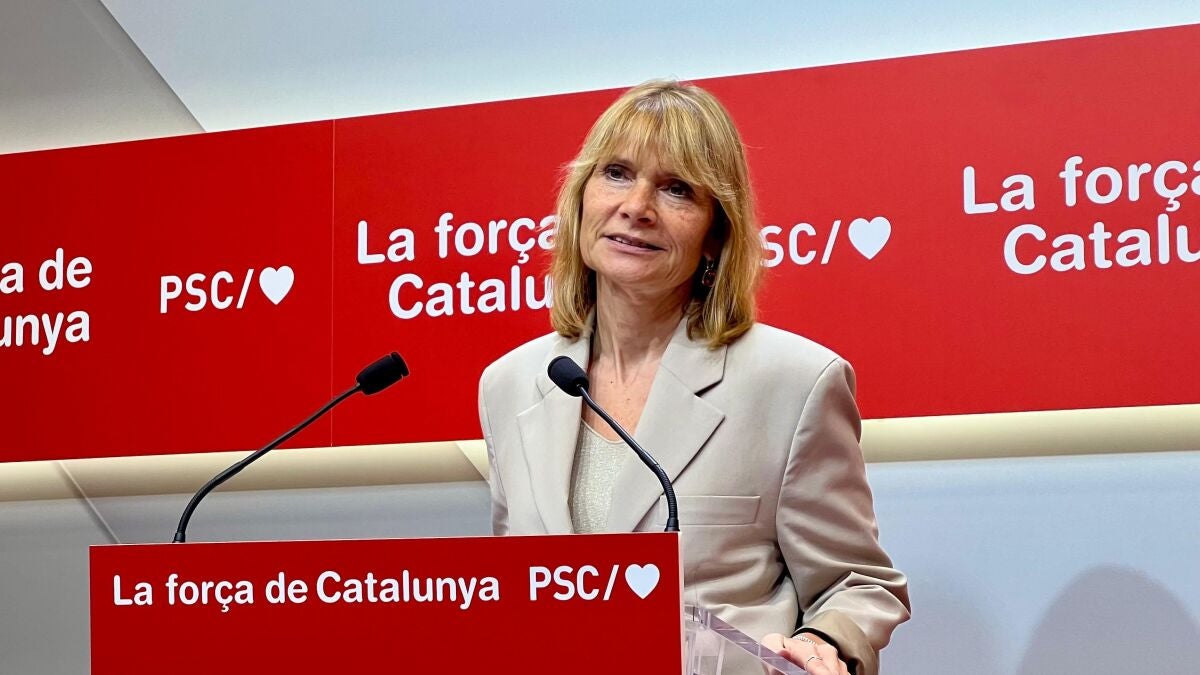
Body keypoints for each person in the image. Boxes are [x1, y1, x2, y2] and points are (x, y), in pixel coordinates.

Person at [478, 80, 910, 675]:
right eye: (617, 173)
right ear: (579, 201)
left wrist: (825, 642)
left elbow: (855, 582)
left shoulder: (794, 382)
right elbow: (514, 586)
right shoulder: (510, 384)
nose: (637, 206)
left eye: (676, 188)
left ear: (714, 233)